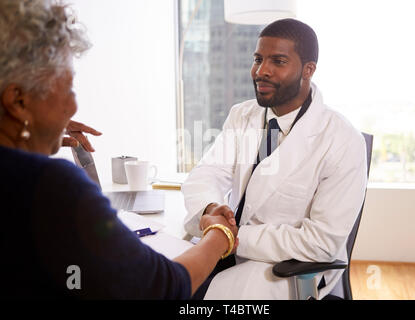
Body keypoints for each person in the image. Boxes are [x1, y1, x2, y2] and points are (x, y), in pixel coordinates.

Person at [0, 0, 238, 299]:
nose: (73, 106)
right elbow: (165, 287)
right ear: (18, 101)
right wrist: (220, 236)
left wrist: (30, 130)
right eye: (68, 88)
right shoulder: (52, 186)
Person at [182, 18, 368, 299]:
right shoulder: (242, 115)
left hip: (281, 266)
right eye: (258, 59)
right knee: (154, 279)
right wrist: (211, 209)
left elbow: (321, 243)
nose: (261, 71)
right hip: (221, 245)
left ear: (308, 70)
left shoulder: (342, 140)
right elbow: (206, 173)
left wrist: (232, 237)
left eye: (278, 61)